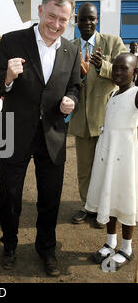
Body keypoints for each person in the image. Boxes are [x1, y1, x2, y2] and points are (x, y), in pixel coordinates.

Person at [0, 0, 81, 276]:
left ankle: (47, 249)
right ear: (40, 11)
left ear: (70, 21)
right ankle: (10, 245)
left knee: (50, 197)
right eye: (51, 16)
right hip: (13, 131)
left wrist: (72, 101)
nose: (56, 24)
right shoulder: (12, 41)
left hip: (52, 133)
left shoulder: (71, 49)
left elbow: (75, 86)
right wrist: (7, 76)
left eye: (62, 19)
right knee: (10, 195)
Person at [68, 2, 127, 227]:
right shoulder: (70, 47)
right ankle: (87, 206)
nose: (87, 23)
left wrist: (104, 65)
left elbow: (125, 74)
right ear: (77, 22)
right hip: (82, 120)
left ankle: (104, 209)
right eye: (83, 19)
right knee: (84, 168)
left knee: (106, 167)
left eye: (91, 18)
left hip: (106, 119)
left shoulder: (112, 43)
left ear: (97, 19)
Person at [85, 53, 138, 270]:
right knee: (108, 195)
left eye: (123, 68)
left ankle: (126, 248)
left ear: (134, 72)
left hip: (125, 156)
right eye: (114, 68)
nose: (117, 72)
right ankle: (110, 242)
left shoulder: (135, 94)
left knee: (124, 198)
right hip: (108, 153)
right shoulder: (115, 92)